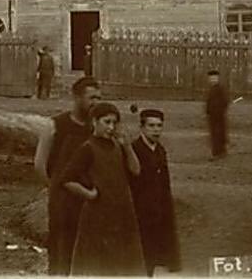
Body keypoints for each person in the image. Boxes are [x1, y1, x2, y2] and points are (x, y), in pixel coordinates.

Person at [58, 102, 145, 276]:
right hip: (98, 216)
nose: (111, 127)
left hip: (122, 212)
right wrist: (88, 194)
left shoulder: (118, 146)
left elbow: (136, 170)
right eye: (107, 122)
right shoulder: (87, 149)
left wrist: (127, 146)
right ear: (94, 122)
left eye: (114, 122)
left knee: (124, 263)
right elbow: (66, 180)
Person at [33, 76, 101, 275]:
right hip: (63, 201)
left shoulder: (98, 128)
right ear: (77, 98)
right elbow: (39, 164)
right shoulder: (55, 125)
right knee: (61, 251)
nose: (95, 103)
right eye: (91, 98)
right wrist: (54, 189)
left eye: (99, 98)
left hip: (91, 199)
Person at [129, 110, 181, 276]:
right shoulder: (134, 149)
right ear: (142, 128)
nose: (156, 130)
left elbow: (165, 183)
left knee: (159, 251)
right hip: (140, 208)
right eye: (151, 126)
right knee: (142, 255)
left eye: (159, 126)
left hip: (159, 207)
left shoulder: (160, 150)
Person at [205, 70, 230, 159]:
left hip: (219, 116)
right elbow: (209, 102)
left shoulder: (220, 89)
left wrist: (219, 111)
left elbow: (225, 102)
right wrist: (208, 111)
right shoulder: (211, 89)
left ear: (218, 79)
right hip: (212, 116)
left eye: (214, 78)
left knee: (219, 134)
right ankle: (218, 152)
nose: (212, 80)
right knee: (214, 134)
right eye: (211, 78)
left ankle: (219, 152)